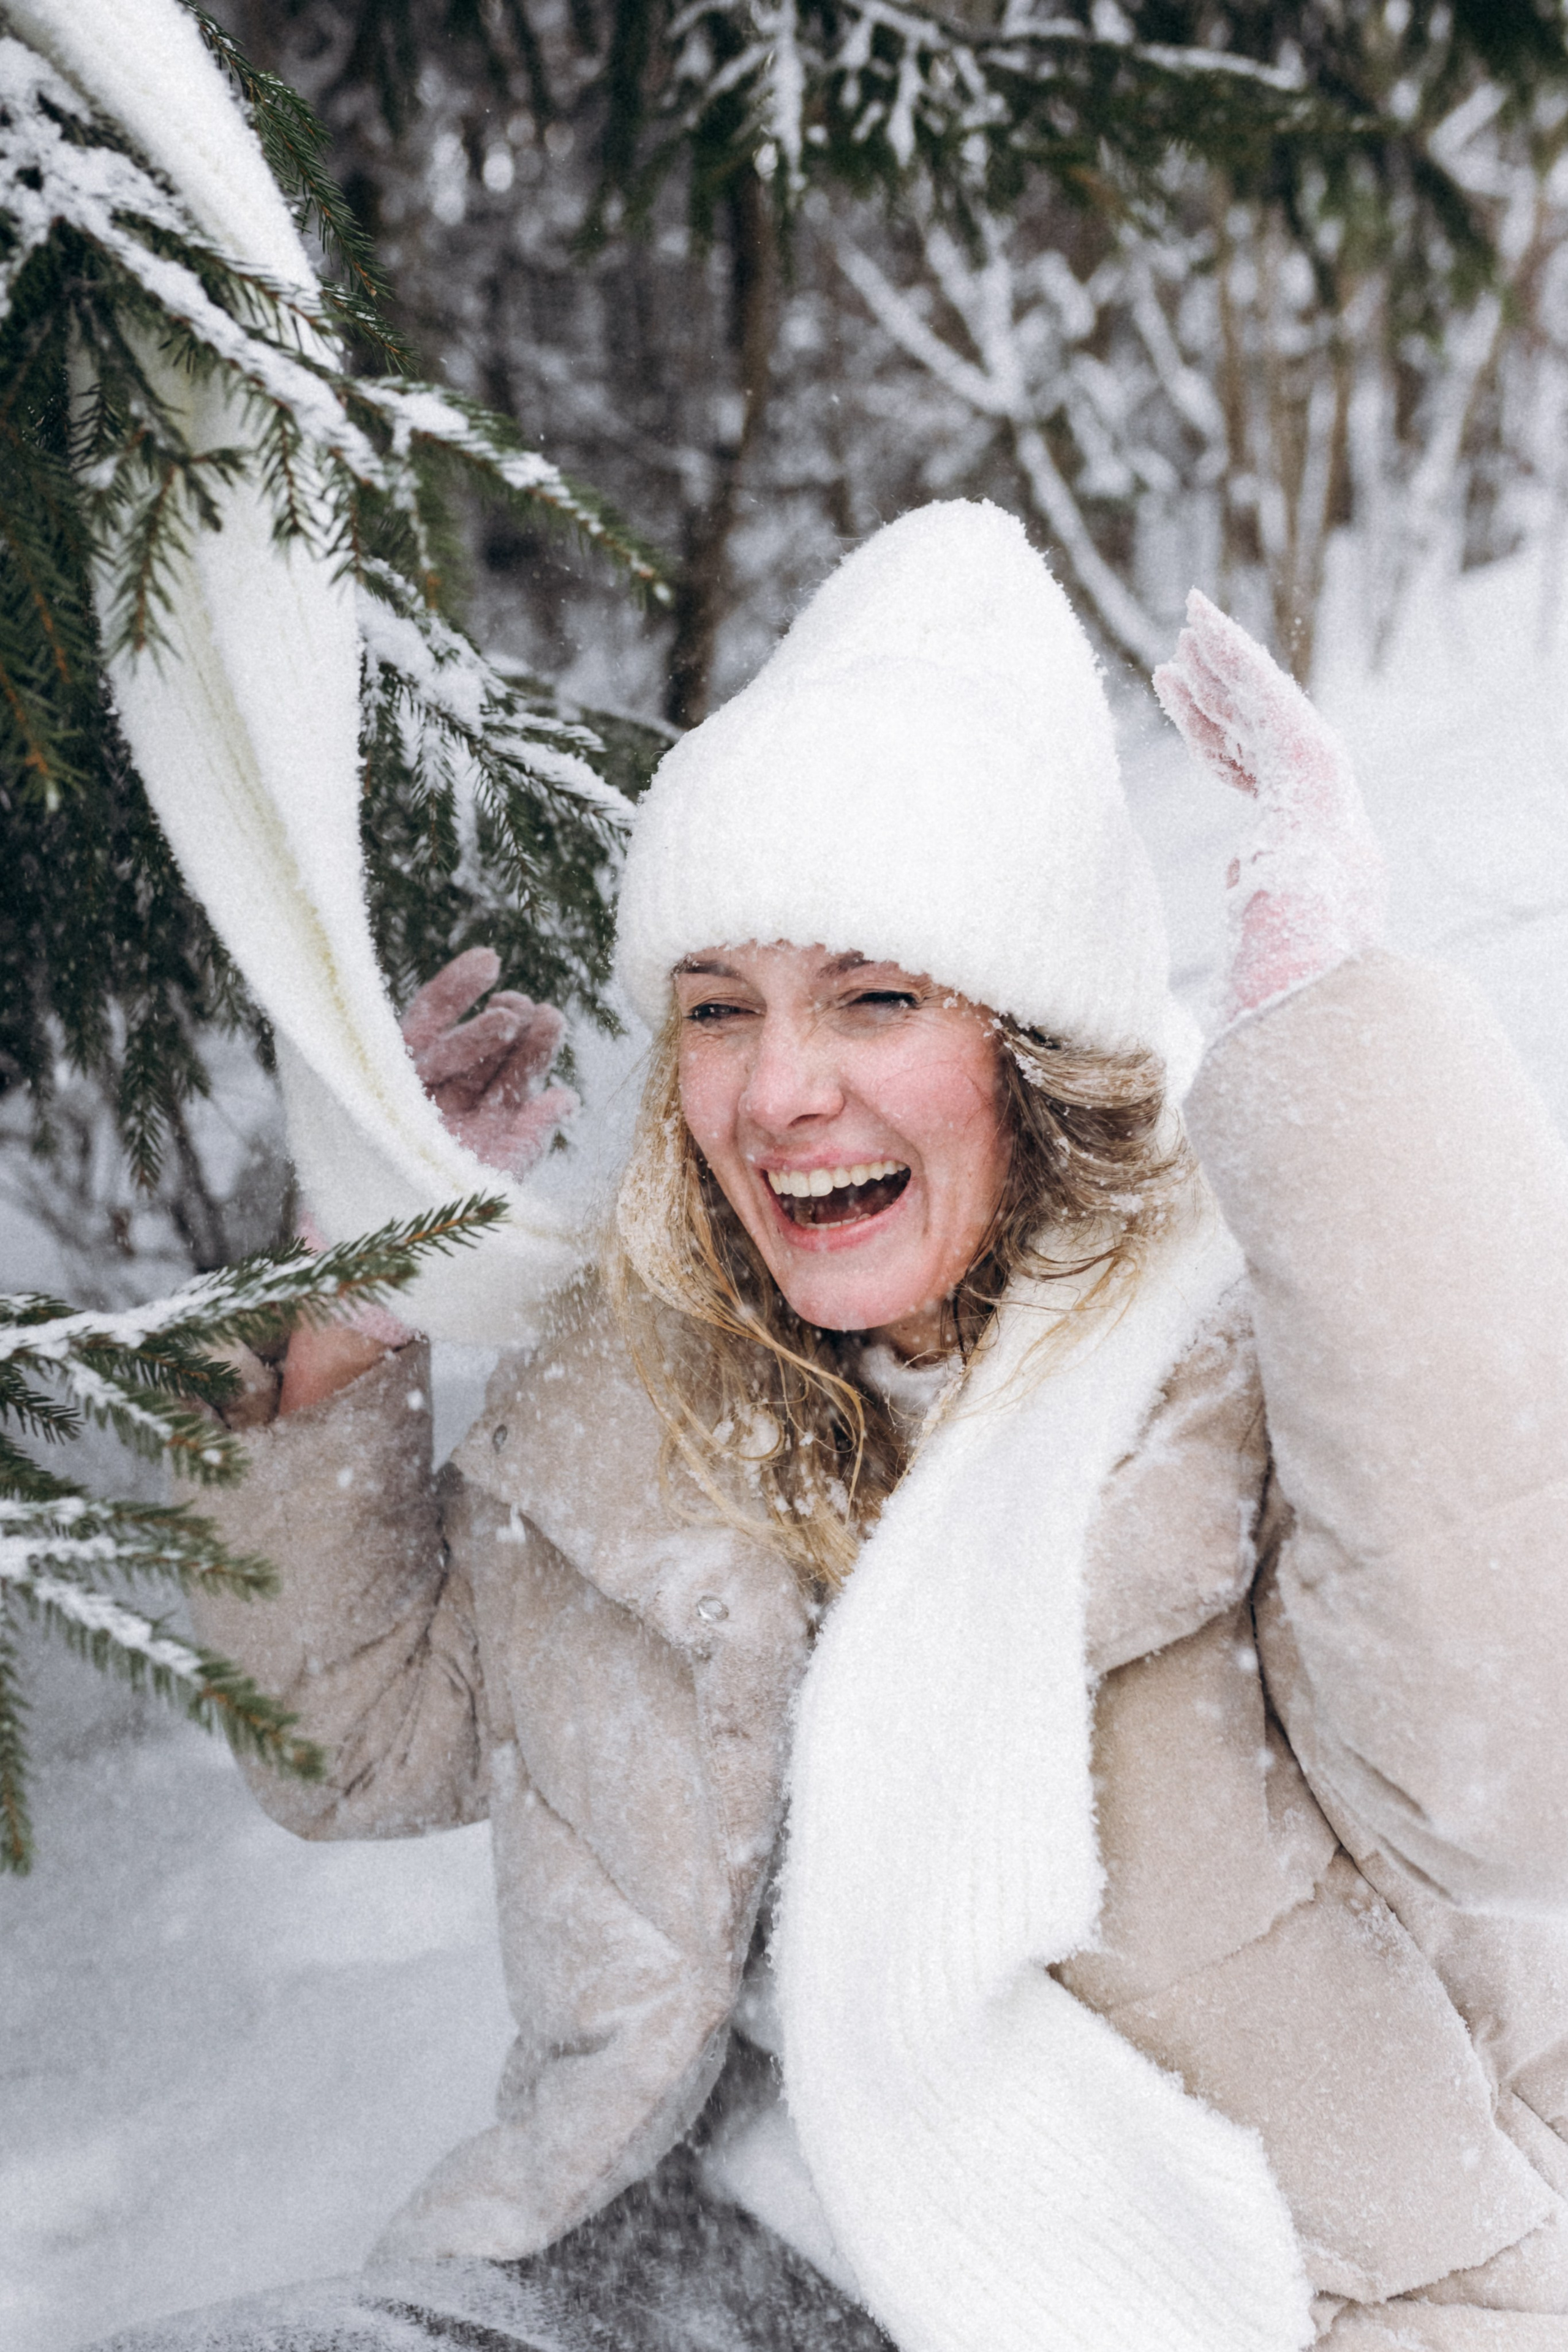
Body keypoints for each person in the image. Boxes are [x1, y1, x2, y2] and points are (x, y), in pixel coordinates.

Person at [104, 502, 1568, 2352]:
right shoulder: (635, 1400)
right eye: (721, 1010)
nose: (784, 1089)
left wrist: (1341, 1059)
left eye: (874, 995)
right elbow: (349, 1748)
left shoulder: (1246, 1374)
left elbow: (1518, 1779)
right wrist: (357, 1285)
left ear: (1035, 1046)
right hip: (660, 2264)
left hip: (1251, 2286)